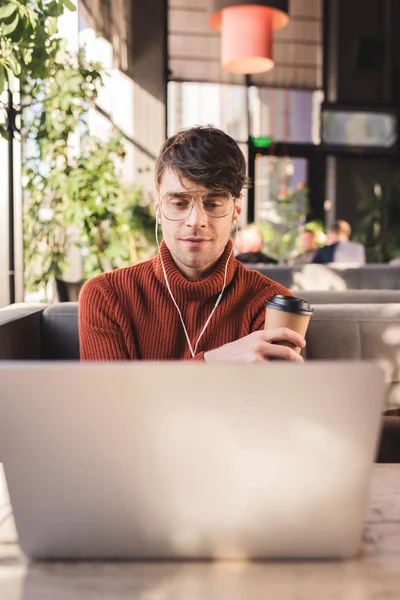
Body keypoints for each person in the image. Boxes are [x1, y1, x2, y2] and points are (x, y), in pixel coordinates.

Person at [79, 126, 305, 363]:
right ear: (159, 210)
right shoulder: (107, 296)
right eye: (179, 202)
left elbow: (272, 399)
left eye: (213, 203)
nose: (196, 221)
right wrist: (214, 362)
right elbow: (111, 399)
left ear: (236, 211)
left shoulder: (271, 305)